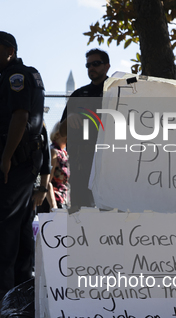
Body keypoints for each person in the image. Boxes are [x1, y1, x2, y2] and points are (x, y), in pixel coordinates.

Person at [0, 31, 48, 300]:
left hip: (13, 161)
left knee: (2, 222)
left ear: (9, 51)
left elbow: (20, 116)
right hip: (20, 161)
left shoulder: (16, 76)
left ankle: (0, 284)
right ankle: (19, 281)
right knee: (19, 222)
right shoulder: (13, 77)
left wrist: (4, 158)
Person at [61, 49, 110, 209]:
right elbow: (59, 133)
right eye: (88, 65)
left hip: (111, 164)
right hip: (81, 165)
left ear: (107, 66)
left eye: (96, 64)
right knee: (81, 212)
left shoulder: (118, 93)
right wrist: (69, 119)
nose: (91, 68)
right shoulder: (78, 95)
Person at [45, 121, 69, 210]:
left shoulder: (64, 153)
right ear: (58, 134)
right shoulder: (53, 152)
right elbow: (47, 181)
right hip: (55, 202)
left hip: (64, 201)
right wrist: (53, 206)